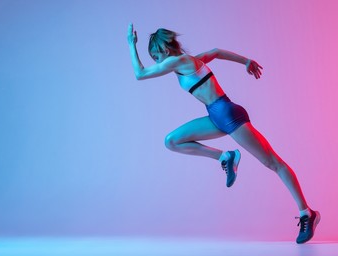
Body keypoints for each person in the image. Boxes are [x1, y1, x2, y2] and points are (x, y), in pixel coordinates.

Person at [127, 23, 320, 244]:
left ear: (165, 49)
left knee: (273, 163)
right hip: (216, 116)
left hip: (228, 115)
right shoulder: (189, 62)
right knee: (171, 141)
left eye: (155, 54)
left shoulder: (176, 61)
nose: (156, 61)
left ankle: (308, 213)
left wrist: (131, 44)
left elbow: (140, 74)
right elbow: (216, 52)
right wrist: (246, 61)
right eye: (152, 57)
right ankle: (225, 157)